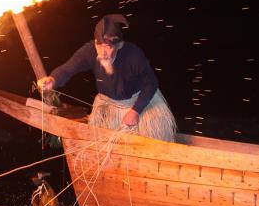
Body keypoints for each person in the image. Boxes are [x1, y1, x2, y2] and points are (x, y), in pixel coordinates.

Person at [37, 14, 177, 142]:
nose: (103, 52)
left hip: (139, 102)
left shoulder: (134, 55)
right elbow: (68, 68)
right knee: (98, 142)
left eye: (108, 47)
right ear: (95, 43)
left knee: (150, 142)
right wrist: (53, 79)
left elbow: (151, 83)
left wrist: (135, 110)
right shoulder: (89, 51)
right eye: (100, 45)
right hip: (108, 104)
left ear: (119, 45)